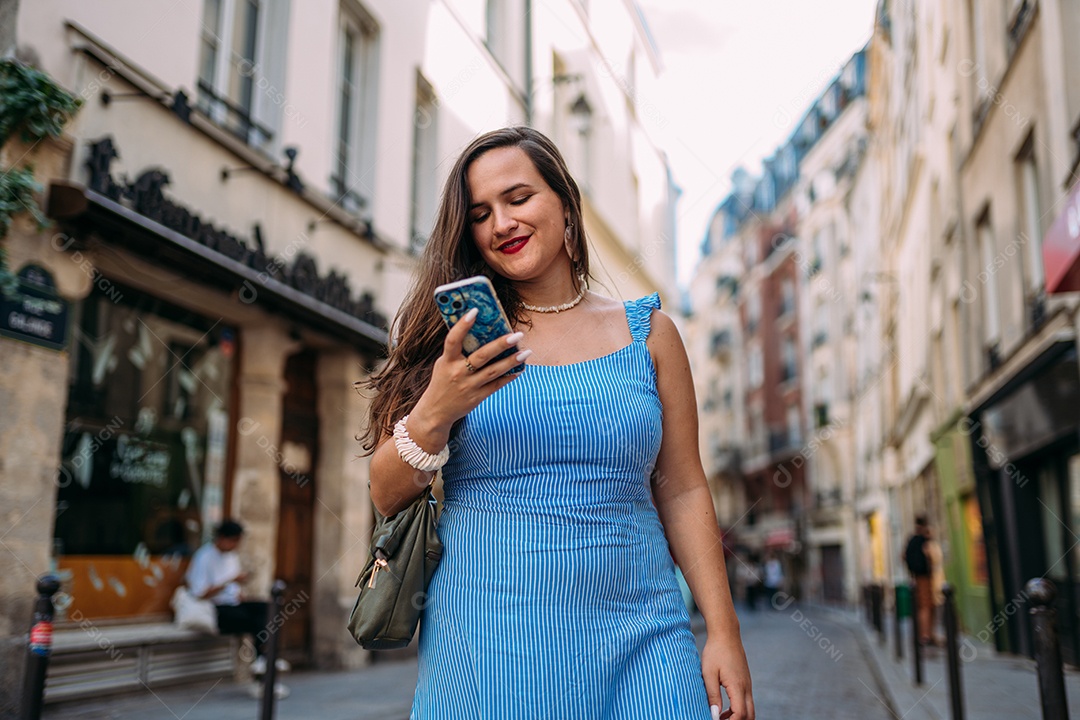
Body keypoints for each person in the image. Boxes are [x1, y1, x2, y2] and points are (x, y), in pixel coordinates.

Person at [361, 127, 754, 720]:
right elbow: (386, 491)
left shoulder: (650, 334)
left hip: (646, 640)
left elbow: (683, 487)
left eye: (518, 199)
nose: (501, 224)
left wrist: (723, 632)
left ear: (566, 206)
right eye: (480, 213)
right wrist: (438, 404)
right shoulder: (459, 339)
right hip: (488, 650)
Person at [186, 520, 290, 686]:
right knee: (256, 621)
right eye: (233, 541)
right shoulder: (204, 557)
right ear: (222, 538)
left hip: (233, 603)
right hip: (216, 609)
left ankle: (264, 661)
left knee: (267, 609)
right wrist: (230, 580)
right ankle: (264, 663)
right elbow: (200, 593)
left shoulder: (231, 557)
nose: (236, 545)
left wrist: (238, 591)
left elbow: (232, 588)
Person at [903, 515, 934, 646]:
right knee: (926, 606)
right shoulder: (923, 540)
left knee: (921, 606)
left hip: (915, 576)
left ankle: (924, 635)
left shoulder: (911, 539)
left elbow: (903, 556)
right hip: (924, 577)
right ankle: (925, 636)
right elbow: (930, 556)